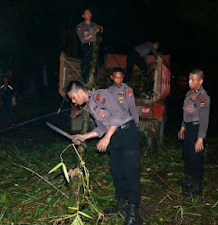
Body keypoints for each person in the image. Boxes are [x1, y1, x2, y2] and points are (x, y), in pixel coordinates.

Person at [66, 81, 142, 225]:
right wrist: (84, 137)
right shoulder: (91, 105)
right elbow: (101, 127)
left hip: (128, 133)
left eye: (73, 98)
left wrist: (107, 137)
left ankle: (133, 212)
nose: (74, 102)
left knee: (130, 172)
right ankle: (121, 204)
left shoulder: (101, 94)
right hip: (116, 136)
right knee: (117, 171)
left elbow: (118, 114)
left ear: (80, 92)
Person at [177, 69, 210, 196]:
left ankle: (197, 185)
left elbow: (204, 119)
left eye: (193, 80)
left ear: (200, 81)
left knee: (196, 158)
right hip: (189, 128)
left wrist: (200, 138)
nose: (189, 82)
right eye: (189, 79)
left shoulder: (203, 97)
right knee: (187, 154)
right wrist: (182, 127)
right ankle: (188, 179)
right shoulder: (190, 93)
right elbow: (186, 112)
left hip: (198, 129)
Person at [76, 9, 103, 83]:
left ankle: (94, 83)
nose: (88, 14)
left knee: (95, 65)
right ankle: (84, 83)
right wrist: (94, 33)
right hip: (86, 46)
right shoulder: (80, 26)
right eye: (86, 13)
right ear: (83, 16)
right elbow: (83, 39)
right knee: (85, 65)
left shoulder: (94, 24)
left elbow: (101, 29)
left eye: (89, 13)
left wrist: (99, 29)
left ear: (91, 15)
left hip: (95, 46)